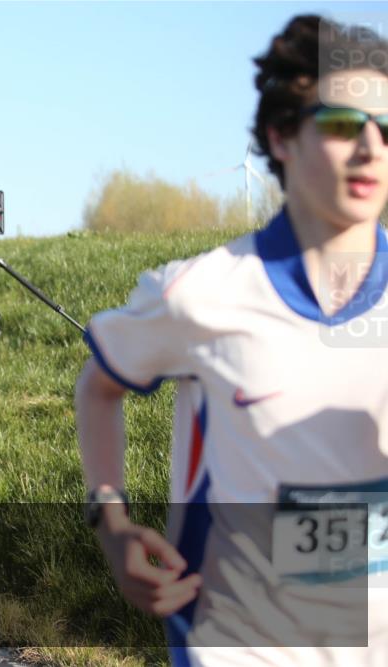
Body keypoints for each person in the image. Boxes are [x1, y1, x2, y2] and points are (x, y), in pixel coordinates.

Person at [74, 15, 388, 666]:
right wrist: (112, 521)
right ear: (281, 135)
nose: (370, 148)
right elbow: (98, 386)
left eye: (387, 127)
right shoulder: (201, 293)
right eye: (340, 123)